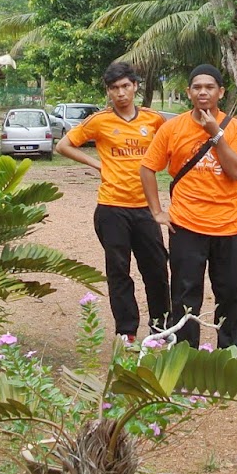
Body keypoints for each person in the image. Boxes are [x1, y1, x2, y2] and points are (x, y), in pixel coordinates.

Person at [56, 62, 169, 343]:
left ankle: (160, 327)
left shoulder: (154, 120)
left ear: (135, 87)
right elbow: (64, 145)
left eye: (125, 86)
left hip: (145, 208)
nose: (121, 93)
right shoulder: (100, 120)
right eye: (115, 88)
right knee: (119, 272)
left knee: (155, 269)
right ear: (109, 91)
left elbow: (173, 144)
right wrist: (96, 165)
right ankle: (126, 331)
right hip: (111, 208)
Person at [141, 65, 237, 350]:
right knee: (186, 295)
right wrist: (156, 212)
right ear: (189, 92)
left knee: (232, 294)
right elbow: (148, 168)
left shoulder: (236, 128)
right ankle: (186, 357)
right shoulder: (172, 128)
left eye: (210, 87)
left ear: (221, 92)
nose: (203, 92)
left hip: (228, 224)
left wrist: (215, 133)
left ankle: (230, 353)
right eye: (197, 87)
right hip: (186, 224)